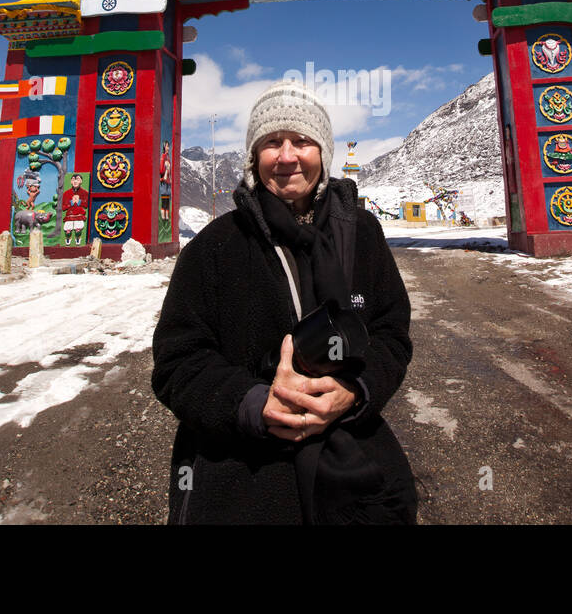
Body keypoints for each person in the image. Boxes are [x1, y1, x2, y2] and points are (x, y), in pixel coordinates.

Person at [151, 80, 417, 524]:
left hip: (353, 453)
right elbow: (178, 361)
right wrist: (252, 403)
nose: (287, 156)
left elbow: (391, 332)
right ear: (255, 158)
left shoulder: (363, 233)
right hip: (241, 468)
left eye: (303, 141)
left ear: (323, 153)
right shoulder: (213, 248)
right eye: (272, 142)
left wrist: (354, 390)